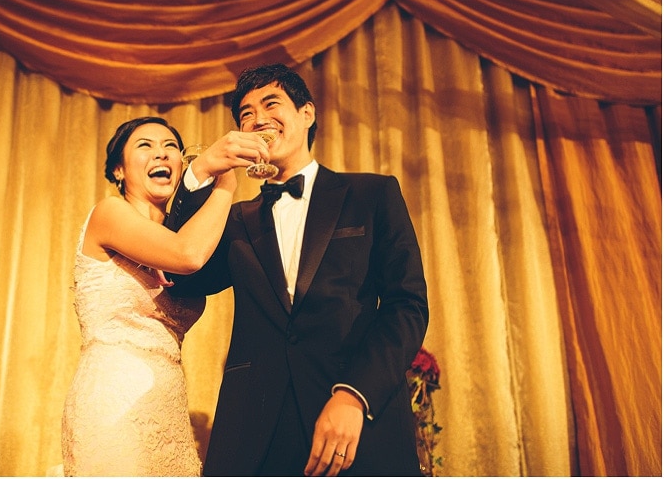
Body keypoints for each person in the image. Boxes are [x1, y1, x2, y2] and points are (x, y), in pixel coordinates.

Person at [165, 64, 428, 477]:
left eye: (271, 104)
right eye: (246, 114)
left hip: (354, 419)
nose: (258, 119)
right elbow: (179, 278)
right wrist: (200, 174)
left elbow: (406, 306)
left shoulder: (372, 194)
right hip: (256, 431)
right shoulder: (234, 220)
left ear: (307, 114)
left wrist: (355, 396)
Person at [60, 116, 266, 476]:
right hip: (114, 398)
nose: (162, 154)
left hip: (168, 404)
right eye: (146, 146)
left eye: (171, 147)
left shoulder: (181, 229)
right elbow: (187, 255)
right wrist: (223, 186)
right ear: (119, 170)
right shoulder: (110, 213)